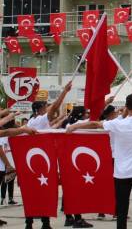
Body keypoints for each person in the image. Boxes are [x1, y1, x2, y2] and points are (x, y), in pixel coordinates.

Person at [67, 91, 132, 229]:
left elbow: (95, 124)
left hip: (122, 173)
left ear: (126, 107)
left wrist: (74, 126)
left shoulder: (118, 124)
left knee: (121, 211)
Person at [25, 81, 72, 229]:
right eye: (45, 106)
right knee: (44, 193)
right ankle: (43, 223)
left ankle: (30, 223)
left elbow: (52, 126)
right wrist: (64, 92)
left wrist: (62, 118)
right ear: (39, 110)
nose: (47, 108)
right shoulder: (39, 119)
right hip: (41, 162)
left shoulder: (33, 121)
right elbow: (55, 108)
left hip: (33, 161)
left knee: (32, 193)